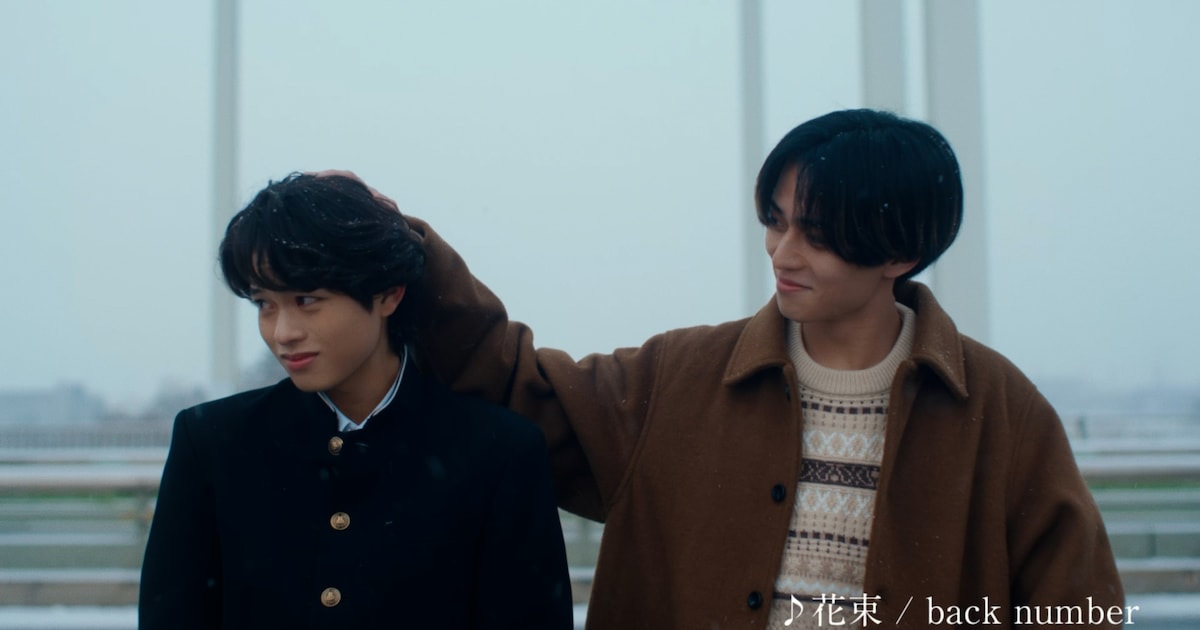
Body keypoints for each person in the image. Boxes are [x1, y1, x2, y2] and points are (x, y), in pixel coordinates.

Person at [361, 108, 1124, 629]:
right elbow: (513, 383)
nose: (782, 253)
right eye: (775, 221)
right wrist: (411, 255)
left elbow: (1077, 605)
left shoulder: (1000, 411)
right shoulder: (679, 378)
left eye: (815, 234)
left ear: (902, 253)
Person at [139, 173, 574, 629]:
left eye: (307, 299)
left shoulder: (497, 453)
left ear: (389, 293)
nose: (282, 332)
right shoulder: (211, 443)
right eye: (264, 304)